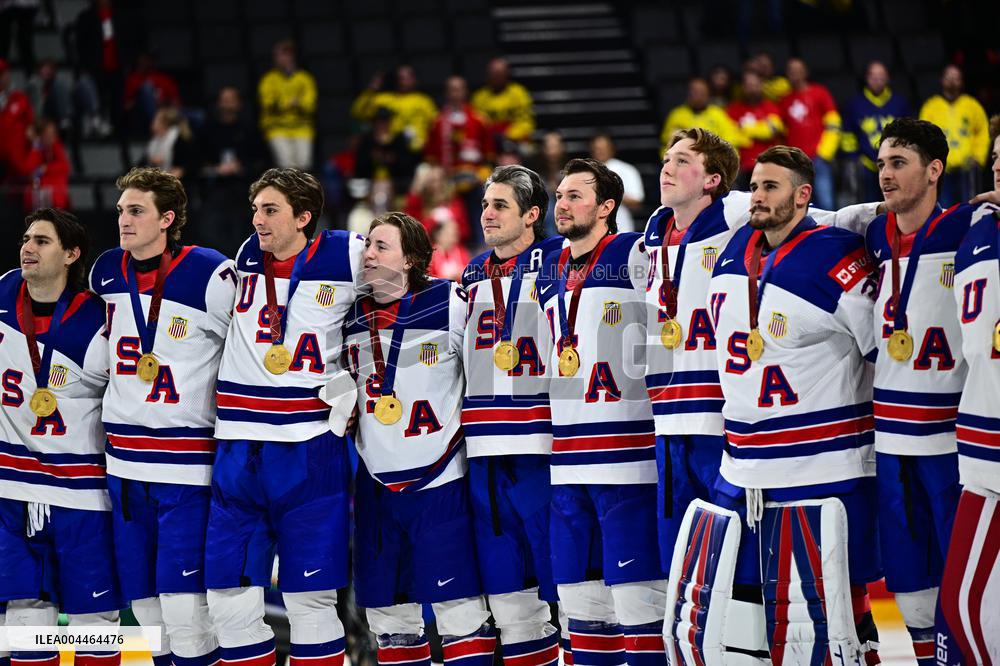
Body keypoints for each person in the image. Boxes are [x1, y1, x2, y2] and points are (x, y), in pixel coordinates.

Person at [691, 145, 880, 663]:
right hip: (743, 470)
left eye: (770, 186)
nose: (757, 195)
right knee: (750, 622)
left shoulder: (836, 253)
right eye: (754, 185)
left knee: (835, 616)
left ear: (803, 196)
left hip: (824, 467)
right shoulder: (737, 244)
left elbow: (883, 353)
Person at [207, 168, 365, 666]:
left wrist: (360, 380)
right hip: (238, 445)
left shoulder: (348, 254)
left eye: (270, 210)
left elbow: (402, 299)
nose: (257, 219)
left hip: (310, 445)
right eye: (255, 209)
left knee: (310, 601)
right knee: (228, 599)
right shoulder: (245, 257)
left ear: (303, 217)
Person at [90, 167, 235, 666]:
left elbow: (248, 348)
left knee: (186, 613)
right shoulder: (105, 272)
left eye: (136, 211)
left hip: (186, 467)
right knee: (147, 616)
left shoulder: (211, 273)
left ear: (167, 219)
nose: (123, 220)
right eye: (121, 211)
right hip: (124, 467)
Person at [343, 211, 495, 666]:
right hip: (376, 486)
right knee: (389, 618)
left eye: (381, 246)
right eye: (367, 245)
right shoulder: (349, 316)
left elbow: (484, 380)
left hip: (441, 482)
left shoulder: (451, 301)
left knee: (460, 612)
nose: (369, 254)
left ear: (410, 259)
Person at [864, 118, 991, 665]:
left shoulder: (969, 226)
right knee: (908, 586)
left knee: (962, 585)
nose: (885, 175)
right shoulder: (873, 235)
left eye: (899, 163)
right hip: (890, 442)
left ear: (935, 170)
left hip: (950, 442)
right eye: (881, 164)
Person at [534, 158, 668, 666]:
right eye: (559, 196)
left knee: (639, 606)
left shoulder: (633, 253)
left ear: (607, 206)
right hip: (567, 462)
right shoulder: (549, 269)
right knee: (580, 608)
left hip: (627, 460)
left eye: (575, 196)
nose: (562, 205)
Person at [0, 208, 122, 666]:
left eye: (42, 241)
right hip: (12, 489)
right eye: (26, 239)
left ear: (71, 254)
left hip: (81, 493)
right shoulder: (4, 292)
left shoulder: (101, 319)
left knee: (95, 623)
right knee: (24, 617)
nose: (28, 248)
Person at [461, 165, 568, 666]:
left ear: (531, 215)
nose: (487, 214)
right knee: (509, 601)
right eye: (485, 204)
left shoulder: (560, 258)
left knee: (574, 594)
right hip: (484, 450)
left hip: (541, 446)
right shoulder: (471, 274)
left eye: (500, 205)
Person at [938, 116, 1000, 666]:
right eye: (997, 156)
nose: (998, 165)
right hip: (979, 446)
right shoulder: (977, 223)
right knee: (961, 612)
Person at [919, 64, 990, 206]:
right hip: (941, 170)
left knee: (969, 208)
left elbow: (983, 132)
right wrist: (930, 160)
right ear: (942, 80)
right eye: (949, 77)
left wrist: (978, 157)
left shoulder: (972, 105)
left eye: (956, 78)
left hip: (967, 170)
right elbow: (922, 135)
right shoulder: (931, 106)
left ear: (961, 81)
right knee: (943, 209)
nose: (952, 81)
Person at [842, 61, 912, 203]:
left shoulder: (900, 103)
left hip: (895, 164)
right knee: (868, 206)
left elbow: (909, 133)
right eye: (873, 76)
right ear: (866, 78)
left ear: (887, 78)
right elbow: (848, 134)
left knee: (895, 203)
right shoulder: (854, 104)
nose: (877, 80)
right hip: (866, 165)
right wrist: (854, 158)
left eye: (881, 76)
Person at [779, 58, 841, 210]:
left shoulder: (820, 93)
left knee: (826, 204)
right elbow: (782, 131)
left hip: (818, 158)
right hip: (795, 162)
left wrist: (824, 153)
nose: (795, 74)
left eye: (798, 70)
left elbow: (834, 122)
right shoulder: (784, 100)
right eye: (791, 71)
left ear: (805, 72)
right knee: (800, 205)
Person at [258, 40, 317, 169]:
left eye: (282, 55)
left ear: (291, 56)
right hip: (277, 127)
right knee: (286, 165)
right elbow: (268, 103)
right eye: (276, 55)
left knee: (304, 164)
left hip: (302, 127)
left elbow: (310, 105)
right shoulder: (268, 80)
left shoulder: (305, 79)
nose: (279, 58)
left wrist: (297, 104)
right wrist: (291, 103)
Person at [351, 65, 438, 152]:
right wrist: (371, 90)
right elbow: (358, 112)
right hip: (392, 149)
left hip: (418, 149)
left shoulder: (425, 101)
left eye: (408, 77)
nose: (405, 81)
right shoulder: (383, 99)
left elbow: (435, 124)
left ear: (415, 79)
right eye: (401, 78)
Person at [659, 77, 747, 156]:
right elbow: (668, 143)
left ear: (708, 94)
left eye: (702, 92)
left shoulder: (717, 113)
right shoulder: (677, 115)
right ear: (688, 94)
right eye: (695, 92)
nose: (699, 96)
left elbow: (730, 141)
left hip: (712, 161)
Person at [726, 68, 784, 189]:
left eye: (755, 85)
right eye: (749, 85)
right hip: (743, 167)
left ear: (761, 85)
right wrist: (761, 128)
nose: (752, 89)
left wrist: (745, 130)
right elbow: (731, 137)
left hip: (768, 165)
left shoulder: (770, 106)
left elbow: (773, 131)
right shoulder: (733, 109)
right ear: (743, 87)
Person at [471, 58, 535, 145]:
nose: (496, 77)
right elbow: (475, 123)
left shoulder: (519, 93)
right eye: (493, 74)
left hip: (514, 141)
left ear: (507, 74)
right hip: (488, 142)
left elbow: (526, 122)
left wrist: (508, 135)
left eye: (499, 74)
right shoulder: (479, 97)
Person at [590, 132, 644, 233]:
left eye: (604, 148)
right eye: (597, 148)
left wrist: (613, 193)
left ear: (612, 148)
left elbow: (637, 201)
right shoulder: (586, 172)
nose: (600, 152)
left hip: (621, 227)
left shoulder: (627, 169)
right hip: (593, 229)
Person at [426, 216, 469, 282]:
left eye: (455, 232)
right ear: (438, 235)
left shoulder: (461, 251)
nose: (454, 235)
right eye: (449, 233)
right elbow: (428, 277)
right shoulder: (430, 254)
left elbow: (468, 272)